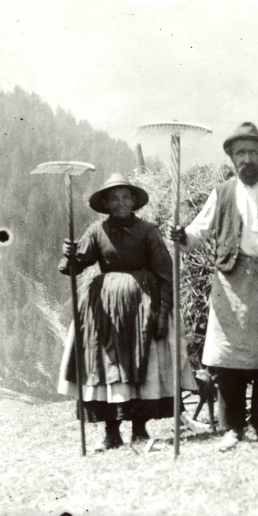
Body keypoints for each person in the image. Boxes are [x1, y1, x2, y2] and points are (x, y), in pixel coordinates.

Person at [170, 122, 258, 452]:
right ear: (231, 157)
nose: (247, 158)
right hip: (230, 281)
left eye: (253, 152)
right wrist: (181, 236)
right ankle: (232, 428)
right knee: (228, 358)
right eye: (240, 152)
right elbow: (197, 232)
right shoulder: (221, 193)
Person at [57, 173, 194, 451]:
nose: (120, 203)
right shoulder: (97, 231)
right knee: (107, 365)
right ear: (106, 204)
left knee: (143, 366)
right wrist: (69, 254)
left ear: (133, 202)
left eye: (125, 198)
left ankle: (139, 430)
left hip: (143, 308)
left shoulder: (149, 231)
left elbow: (166, 275)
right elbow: (74, 267)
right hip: (104, 311)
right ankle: (111, 433)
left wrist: (162, 313)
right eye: (113, 199)